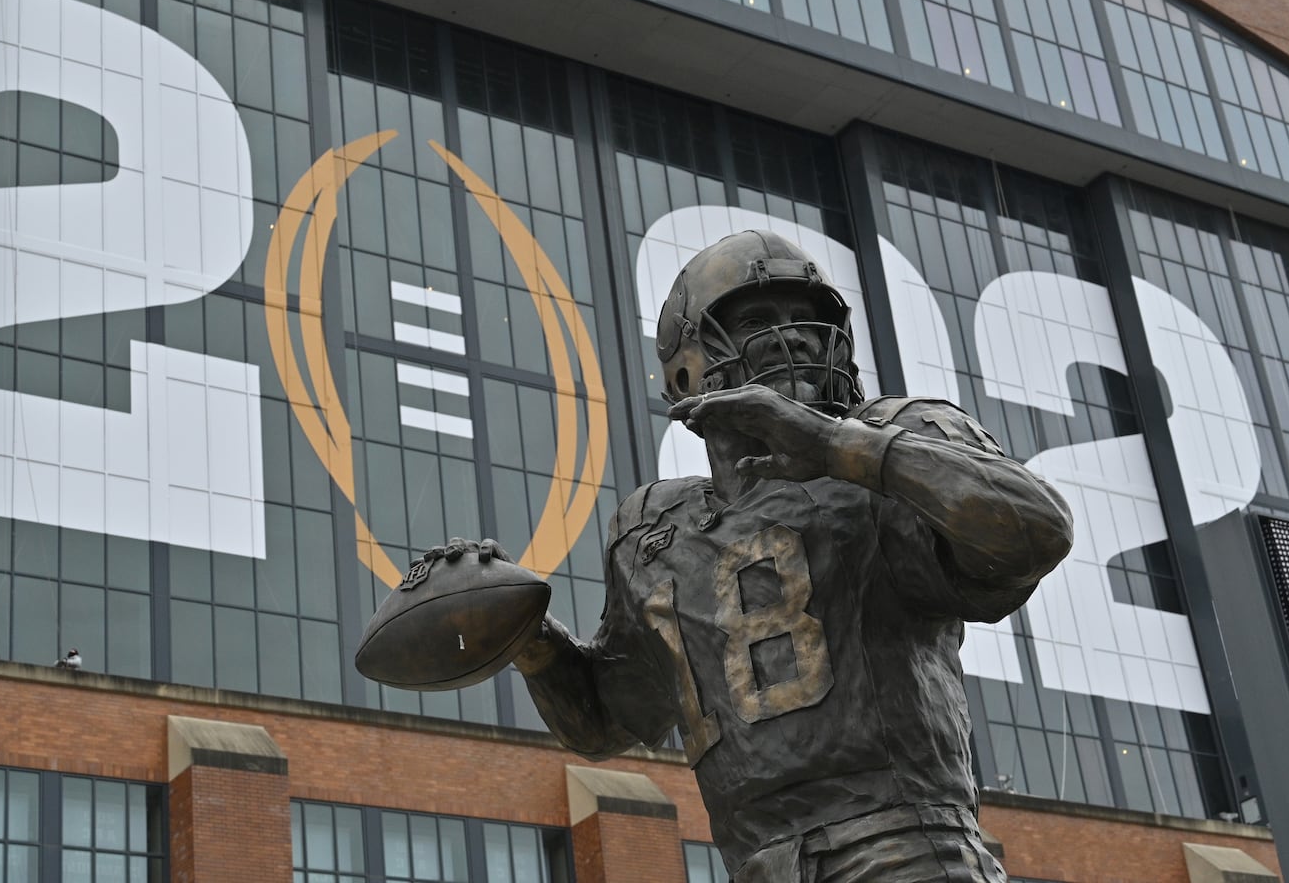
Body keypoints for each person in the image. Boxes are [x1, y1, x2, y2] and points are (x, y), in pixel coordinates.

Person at [436, 230, 1073, 882]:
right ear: (685, 370)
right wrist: (527, 636)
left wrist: (841, 449)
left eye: (807, 318)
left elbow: (1033, 530)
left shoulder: (898, 438)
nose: (793, 335)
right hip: (759, 866)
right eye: (757, 319)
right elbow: (605, 722)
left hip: (904, 847)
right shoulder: (652, 527)